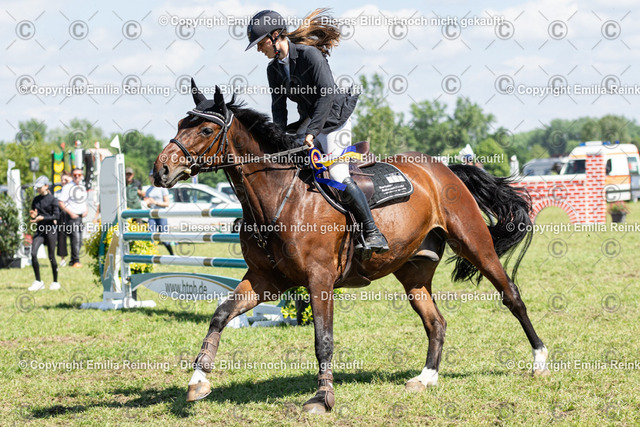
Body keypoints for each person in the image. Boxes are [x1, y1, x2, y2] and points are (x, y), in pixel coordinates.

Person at [246, 9, 388, 254]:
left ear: (275, 36)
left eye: (260, 43)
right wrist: (278, 140)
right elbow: (279, 108)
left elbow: (326, 96)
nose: (259, 49)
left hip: (334, 121)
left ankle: (372, 231)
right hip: (309, 121)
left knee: (338, 175)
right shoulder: (273, 69)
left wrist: (311, 134)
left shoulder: (310, 56)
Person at [28, 176, 60, 291]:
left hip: (51, 229)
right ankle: (38, 281)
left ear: (46, 186)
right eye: (37, 187)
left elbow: (56, 216)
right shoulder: (36, 200)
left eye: (40, 187)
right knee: (33, 253)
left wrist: (43, 218)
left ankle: (55, 281)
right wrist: (34, 216)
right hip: (40, 230)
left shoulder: (53, 200)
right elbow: (35, 213)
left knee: (51, 256)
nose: (38, 189)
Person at [58, 168, 88, 268]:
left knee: (79, 240)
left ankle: (72, 260)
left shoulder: (82, 187)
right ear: (72, 176)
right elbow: (61, 202)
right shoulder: (68, 187)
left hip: (80, 217)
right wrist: (71, 213)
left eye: (79, 175)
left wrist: (86, 209)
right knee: (75, 239)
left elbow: (84, 201)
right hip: (72, 217)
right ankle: (76, 261)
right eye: (75, 175)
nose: (77, 177)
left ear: (82, 176)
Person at [144, 172, 174, 255]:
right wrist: (149, 204)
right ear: (149, 178)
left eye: (154, 176)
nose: (152, 178)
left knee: (164, 237)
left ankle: (172, 254)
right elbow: (149, 205)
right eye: (151, 176)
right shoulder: (148, 190)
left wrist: (155, 202)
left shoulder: (162, 188)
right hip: (152, 215)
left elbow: (167, 203)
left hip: (161, 214)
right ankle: (152, 255)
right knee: (151, 235)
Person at [55, 172, 72, 266]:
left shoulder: (74, 191)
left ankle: (74, 258)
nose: (64, 182)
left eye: (66, 180)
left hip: (72, 216)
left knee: (75, 238)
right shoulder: (57, 193)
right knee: (62, 239)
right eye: (62, 180)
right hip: (61, 217)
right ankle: (62, 259)